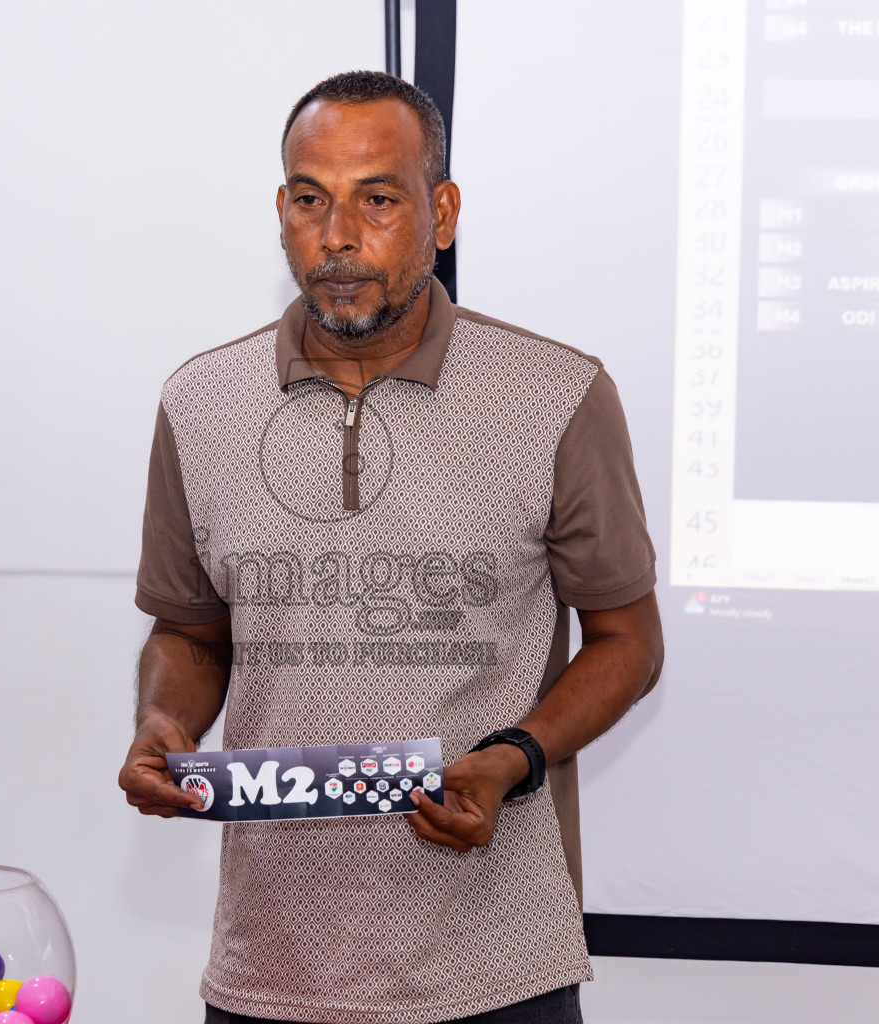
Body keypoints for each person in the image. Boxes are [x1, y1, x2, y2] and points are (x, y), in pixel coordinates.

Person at [120, 70, 663, 1024]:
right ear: (281, 213)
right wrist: (166, 726)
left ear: (441, 212)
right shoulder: (199, 404)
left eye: (378, 198)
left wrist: (512, 759)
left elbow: (628, 640)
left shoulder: (558, 394)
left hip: (497, 970)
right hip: (268, 973)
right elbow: (190, 630)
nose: (338, 237)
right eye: (308, 199)